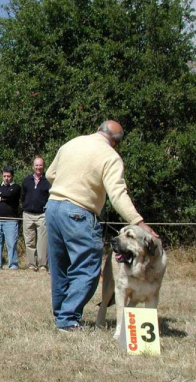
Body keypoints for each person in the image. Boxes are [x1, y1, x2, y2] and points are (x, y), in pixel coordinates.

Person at [45, 120, 158, 332]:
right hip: (79, 211)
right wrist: (138, 222)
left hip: (52, 207)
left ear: (98, 130)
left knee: (59, 266)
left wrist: (66, 185)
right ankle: (67, 319)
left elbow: (50, 174)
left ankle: (61, 314)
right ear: (115, 143)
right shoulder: (110, 156)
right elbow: (117, 194)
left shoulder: (71, 143)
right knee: (87, 268)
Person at [21, 157, 51, 272]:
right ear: (33, 166)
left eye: (40, 165)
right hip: (28, 214)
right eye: (36, 165)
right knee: (29, 241)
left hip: (42, 215)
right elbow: (22, 197)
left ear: (44, 166)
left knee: (42, 242)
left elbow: (50, 198)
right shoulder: (26, 180)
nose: (38, 167)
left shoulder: (48, 181)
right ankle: (32, 265)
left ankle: (43, 265)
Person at [0, 166, 21, 270]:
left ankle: (13, 265)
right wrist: (0, 197)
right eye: (4, 176)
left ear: (12, 177)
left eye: (8, 176)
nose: (6, 178)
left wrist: (0, 197)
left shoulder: (16, 187)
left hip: (11, 220)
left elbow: (11, 195)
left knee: (11, 244)